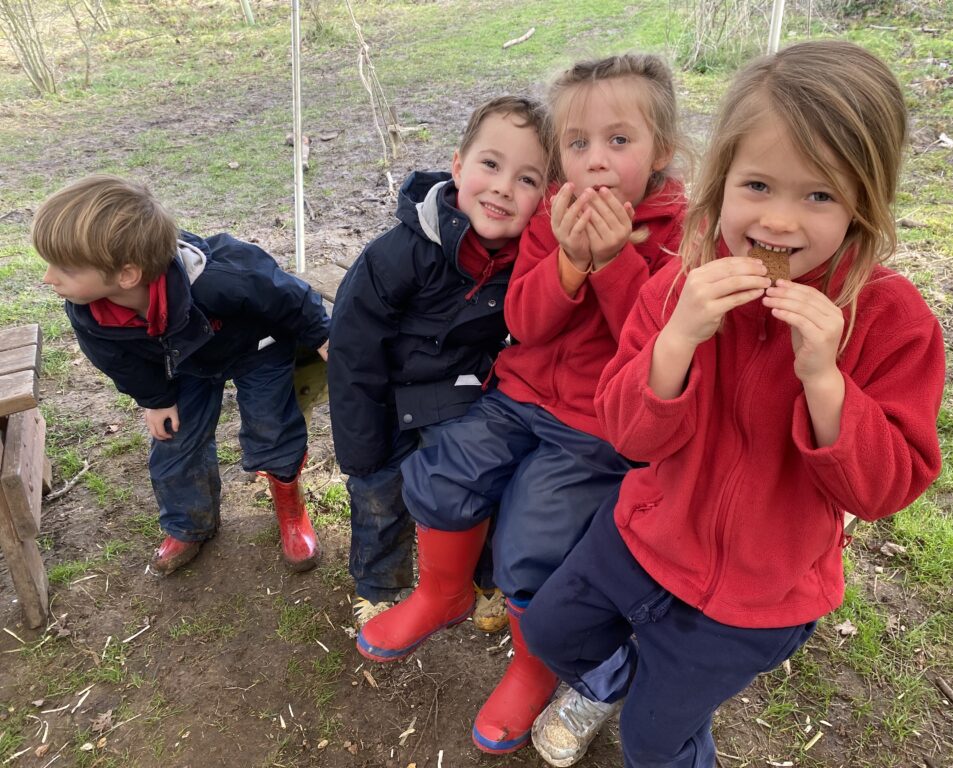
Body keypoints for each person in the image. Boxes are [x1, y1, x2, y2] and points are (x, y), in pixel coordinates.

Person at [521, 40, 946, 767]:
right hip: (643, 539)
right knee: (552, 632)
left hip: (757, 594)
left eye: (819, 196)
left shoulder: (889, 320)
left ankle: (660, 703)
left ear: (864, 204)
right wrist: (678, 340)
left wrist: (825, 381)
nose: (779, 222)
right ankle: (622, 673)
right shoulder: (679, 285)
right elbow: (629, 435)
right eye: (757, 186)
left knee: (655, 741)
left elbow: (883, 489)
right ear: (720, 184)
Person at [357, 53, 690, 754]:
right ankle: (442, 595)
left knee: (533, 545)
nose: (594, 162)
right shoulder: (555, 216)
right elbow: (527, 321)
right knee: (442, 474)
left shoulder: (679, 238)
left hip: (596, 428)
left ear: (662, 149)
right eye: (577, 145)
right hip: (518, 397)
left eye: (618, 142)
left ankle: (533, 666)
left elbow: (657, 345)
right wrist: (570, 258)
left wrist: (613, 263)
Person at [33, 175, 330, 576]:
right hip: (185, 362)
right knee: (174, 443)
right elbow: (118, 360)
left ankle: (289, 505)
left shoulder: (220, 277)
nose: (49, 278)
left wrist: (322, 336)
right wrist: (155, 399)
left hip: (256, 349)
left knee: (272, 429)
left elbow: (289, 295)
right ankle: (190, 524)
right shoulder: (89, 310)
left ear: (126, 275)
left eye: (64, 268)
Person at [327, 95, 548, 629]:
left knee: (478, 478)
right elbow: (353, 353)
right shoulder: (397, 253)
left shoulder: (531, 262)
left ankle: (480, 580)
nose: (502, 187)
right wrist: (359, 445)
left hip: (458, 394)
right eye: (490, 165)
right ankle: (380, 586)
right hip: (384, 398)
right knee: (378, 495)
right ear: (457, 166)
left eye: (528, 179)